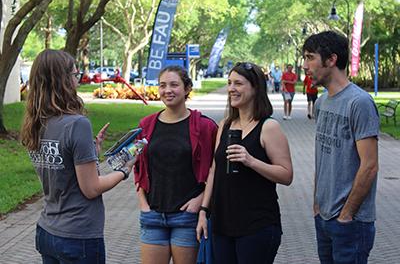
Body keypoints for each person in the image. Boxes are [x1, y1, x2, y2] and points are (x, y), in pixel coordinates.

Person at [20, 49, 134, 264]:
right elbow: (91, 189)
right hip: (78, 235)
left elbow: (59, 173)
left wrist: (91, 153)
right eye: (75, 75)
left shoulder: (34, 124)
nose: (78, 81)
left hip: (47, 231)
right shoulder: (76, 124)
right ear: (62, 80)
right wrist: (124, 170)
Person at [196, 62, 293, 264]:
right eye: (229, 83)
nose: (231, 89)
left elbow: (286, 175)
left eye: (238, 83)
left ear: (255, 87)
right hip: (222, 225)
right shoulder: (224, 125)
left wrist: (251, 161)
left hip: (257, 226)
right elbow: (214, 171)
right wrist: (204, 212)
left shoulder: (269, 127)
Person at [302, 31, 380, 264]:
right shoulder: (323, 101)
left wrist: (347, 214)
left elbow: (370, 166)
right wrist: (317, 205)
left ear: (332, 60)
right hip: (324, 217)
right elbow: (323, 158)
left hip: (350, 223)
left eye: (310, 57)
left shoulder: (360, 103)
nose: (305, 65)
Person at [134, 66, 218, 264]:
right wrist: (143, 204)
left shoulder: (206, 127)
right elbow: (137, 166)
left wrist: (201, 200)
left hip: (187, 218)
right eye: (162, 85)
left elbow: (217, 171)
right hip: (153, 215)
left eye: (174, 85)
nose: (167, 90)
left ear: (187, 88)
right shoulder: (145, 125)